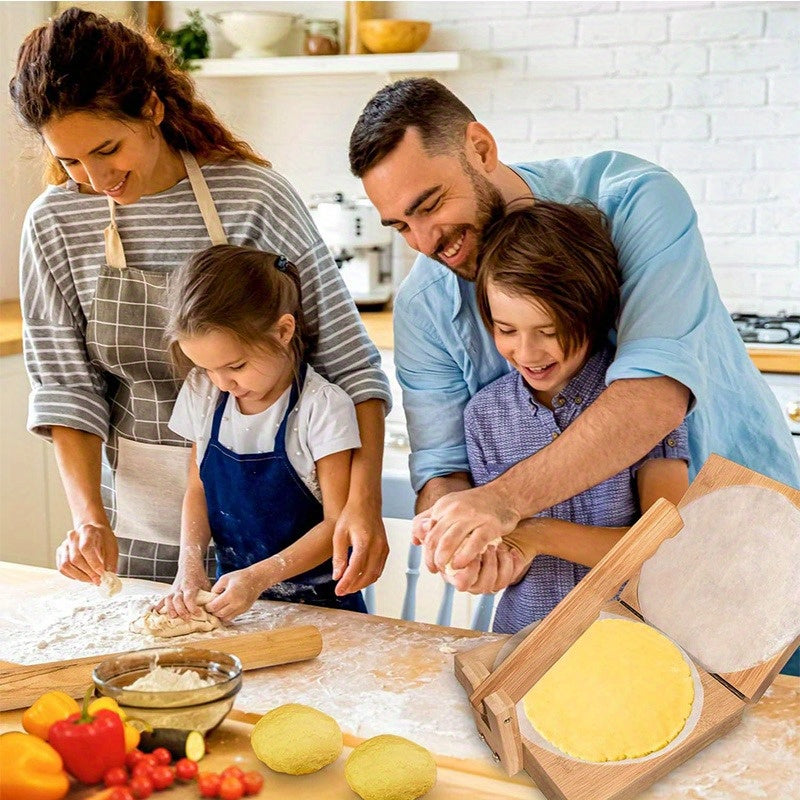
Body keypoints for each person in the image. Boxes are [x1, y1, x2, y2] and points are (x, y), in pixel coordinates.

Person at [348, 77, 800, 579]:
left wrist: (504, 502)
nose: (427, 243)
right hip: (586, 594)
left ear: (481, 148)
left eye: (430, 205)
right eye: (401, 226)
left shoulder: (635, 201)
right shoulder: (424, 306)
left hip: (746, 523)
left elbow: (652, 397)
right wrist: (464, 545)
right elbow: (444, 470)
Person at [11, 8, 391, 592]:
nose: (94, 177)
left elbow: (350, 366)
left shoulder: (252, 197)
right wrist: (89, 520)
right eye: (69, 161)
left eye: (108, 148)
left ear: (152, 108)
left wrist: (361, 505)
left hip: (279, 537)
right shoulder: (56, 223)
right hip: (132, 530)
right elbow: (68, 389)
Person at [444, 204, 689, 633]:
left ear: (591, 312)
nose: (528, 353)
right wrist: (486, 565)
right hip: (522, 641)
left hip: (634, 647)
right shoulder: (485, 416)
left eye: (549, 330)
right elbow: (510, 557)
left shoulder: (637, 405)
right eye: (506, 330)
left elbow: (665, 546)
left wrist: (537, 535)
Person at [157, 245, 367, 620]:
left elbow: (337, 523)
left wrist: (258, 578)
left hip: (323, 608)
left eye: (236, 365)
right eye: (207, 368)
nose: (223, 383)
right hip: (235, 605)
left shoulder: (322, 408)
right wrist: (188, 566)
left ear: (284, 330)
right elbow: (198, 488)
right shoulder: (203, 393)